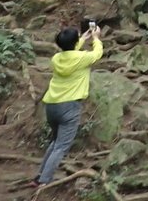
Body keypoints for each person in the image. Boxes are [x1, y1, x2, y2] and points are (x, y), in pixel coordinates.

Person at [33, 23, 103, 187]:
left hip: (51, 105)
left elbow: (69, 52)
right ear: (74, 42)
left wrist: (82, 39)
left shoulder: (56, 58)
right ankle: (45, 181)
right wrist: (96, 38)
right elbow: (98, 53)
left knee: (55, 142)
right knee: (61, 147)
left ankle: (39, 176)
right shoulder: (83, 58)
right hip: (69, 107)